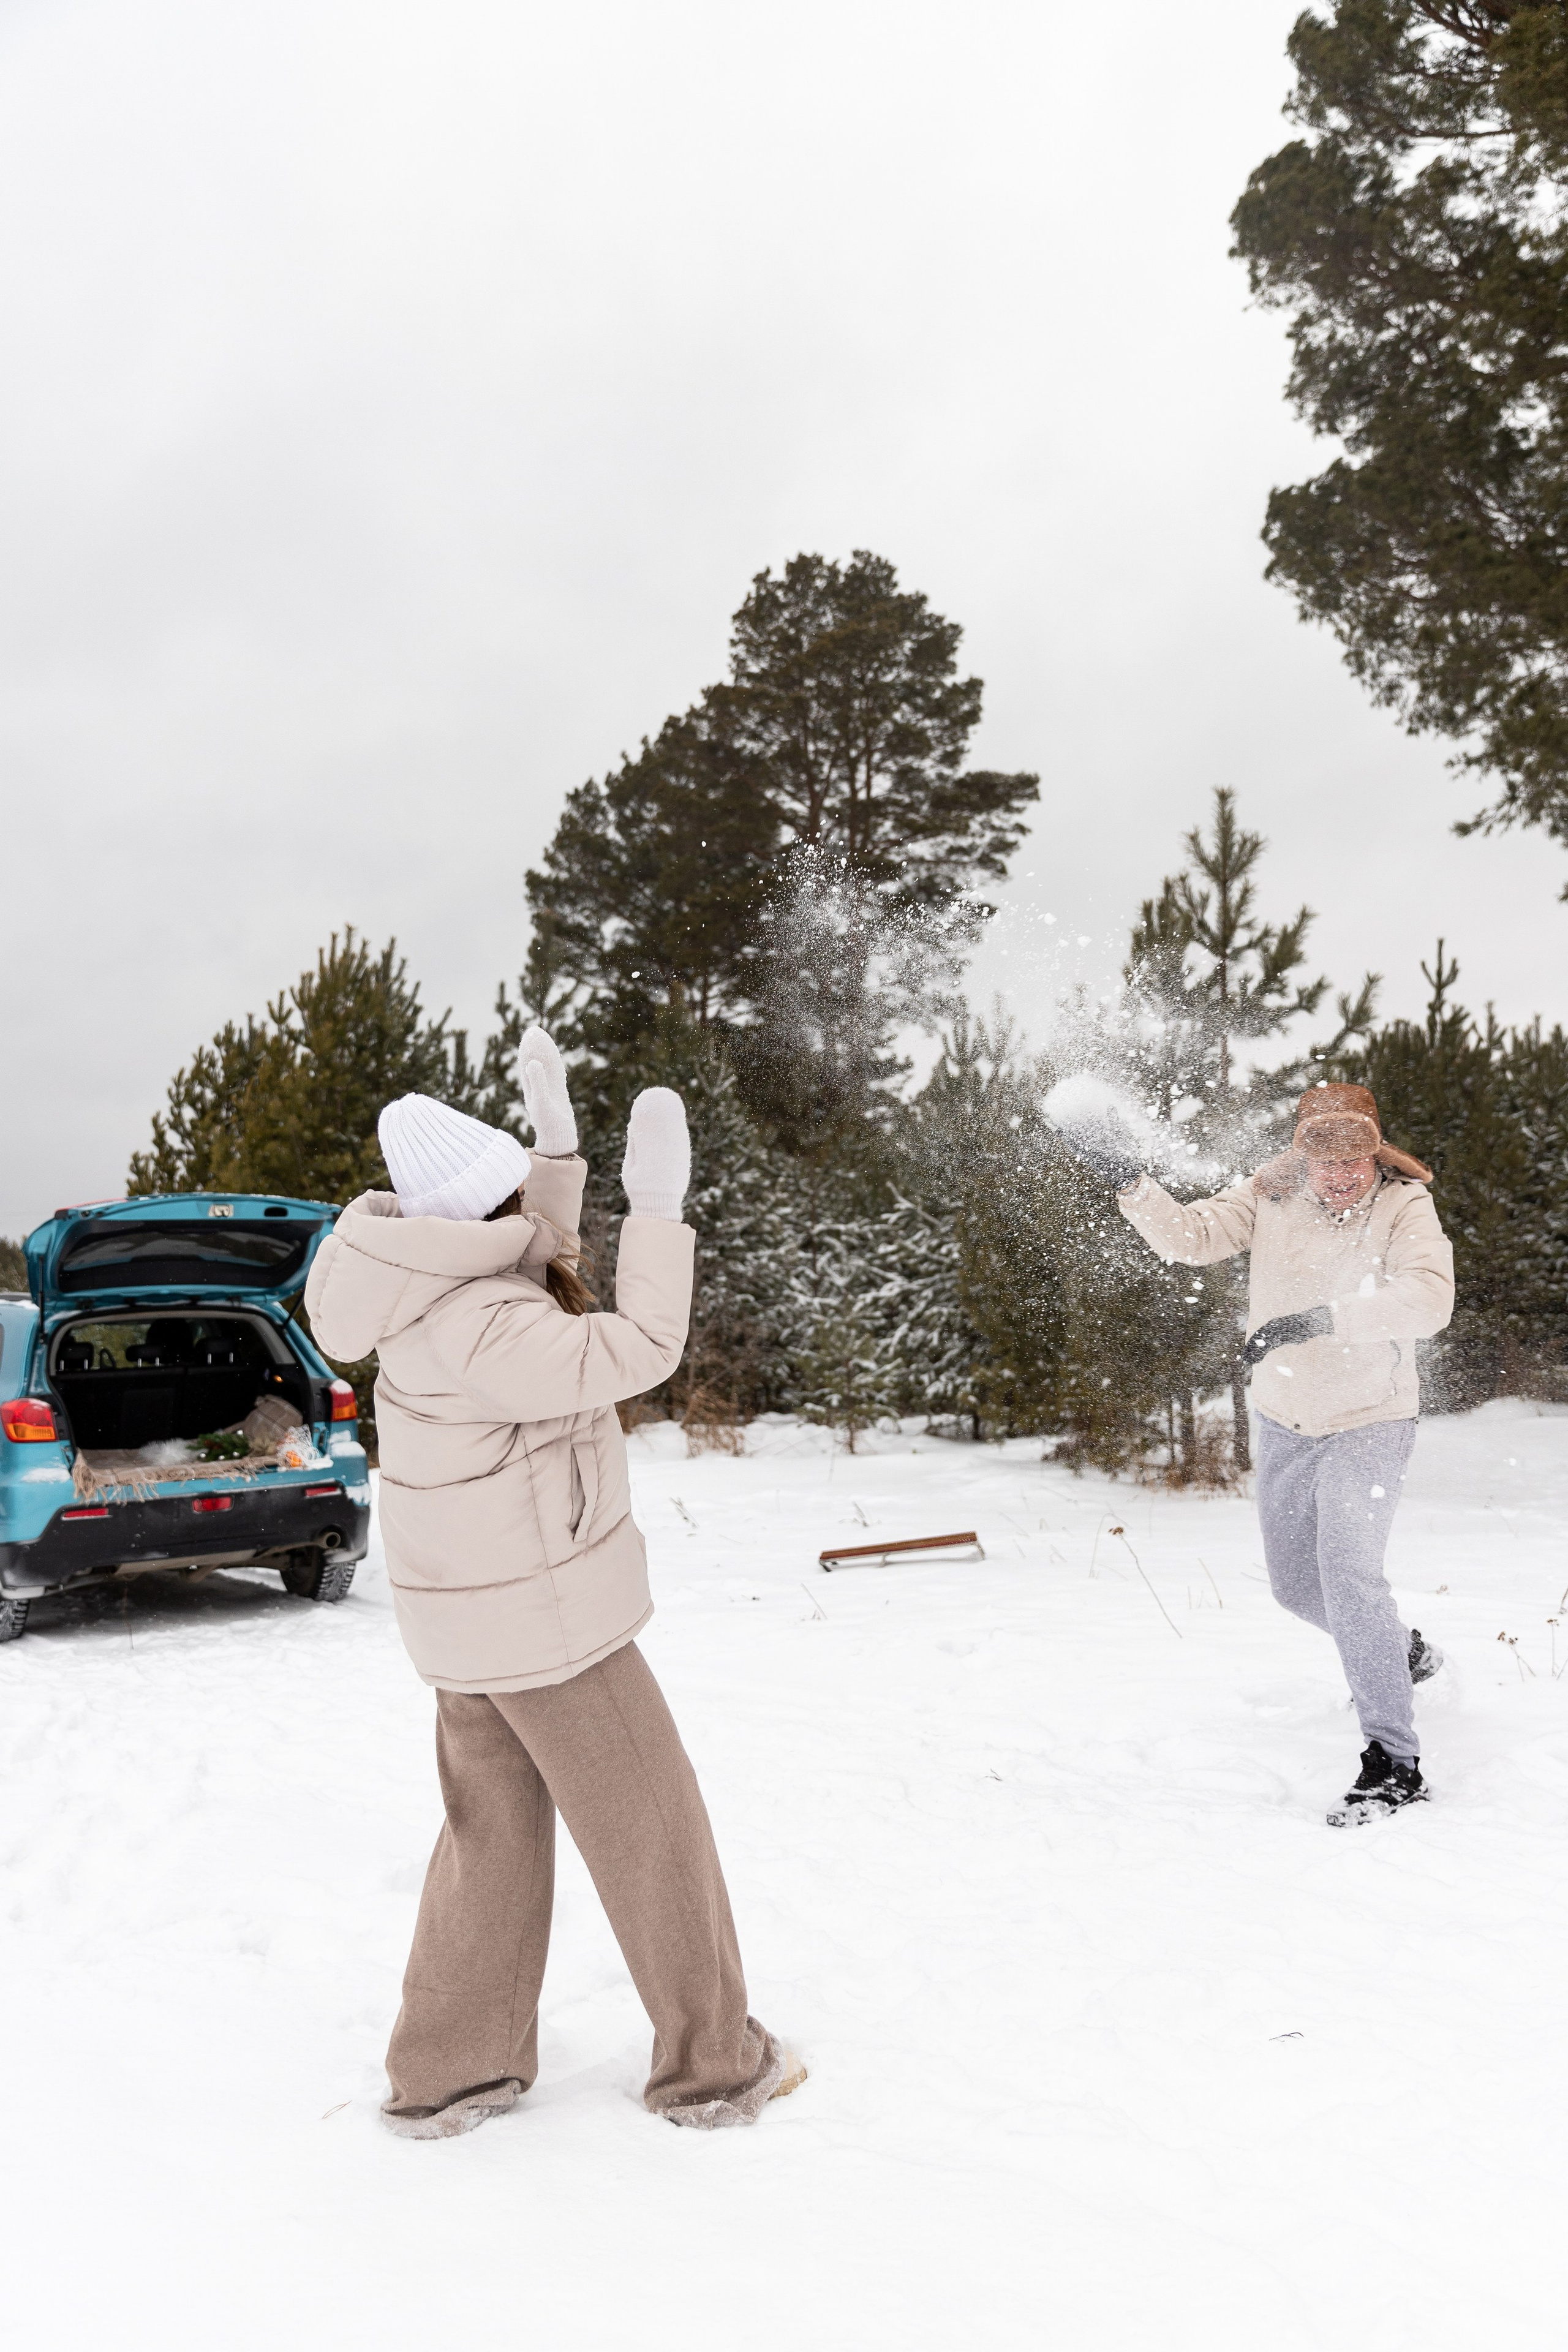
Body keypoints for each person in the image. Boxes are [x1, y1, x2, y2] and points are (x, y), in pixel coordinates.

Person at [305, 1029, 802, 2135]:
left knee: (491, 1840)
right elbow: (640, 1348)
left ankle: (450, 2070)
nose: (529, 1218)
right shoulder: (487, 1327)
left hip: (471, 1632)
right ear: (478, 1216)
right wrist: (661, 1208)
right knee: (654, 1829)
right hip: (550, 1630)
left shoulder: (429, 1293)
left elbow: (528, 1257)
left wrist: (558, 1148)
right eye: (512, 1193)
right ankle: (714, 2065)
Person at [1057, 1080, 1455, 1823]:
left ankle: (1394, 1760)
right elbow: (1190, 1238)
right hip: (1283, 1416)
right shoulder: (1269, 1193)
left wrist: (1318, 1319)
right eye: (1323, 1162)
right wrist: (1130, 1182)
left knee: (1348, 1575)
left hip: (1371, 1417)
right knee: (1296, 1588)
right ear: (1302, 1158)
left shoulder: (1405, 1205)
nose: (1339, 1177)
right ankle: (1400, 1655)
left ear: (1375, 1154)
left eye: (1354, 1162)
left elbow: (1430, 1301)